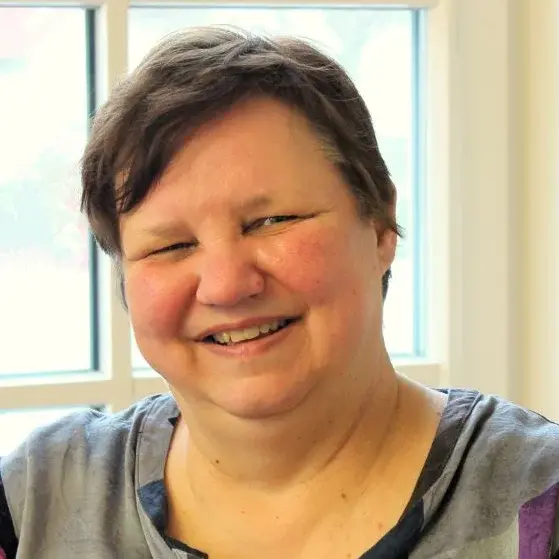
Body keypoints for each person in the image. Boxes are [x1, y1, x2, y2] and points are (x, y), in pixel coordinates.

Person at [1, 26, 558, 559]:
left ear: (379, 226)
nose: (226, 286)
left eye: (272, 221)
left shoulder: (540, 503)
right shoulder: (36, 499)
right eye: (171, 245)